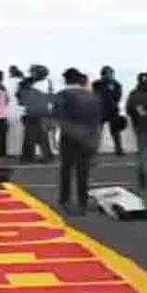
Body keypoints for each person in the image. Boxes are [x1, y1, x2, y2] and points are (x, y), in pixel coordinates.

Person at [55, 68, 102, 215]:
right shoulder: (92, 96)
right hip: (88, 136)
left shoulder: (62, 95)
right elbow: (97, 120)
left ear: (66, 80)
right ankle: (82, 200)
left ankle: (65, 199)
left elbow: (58, 117)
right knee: (83, 171)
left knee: (66, 169)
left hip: (69, 136)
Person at [17, 64, 55, 163]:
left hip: (33, 113)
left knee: (32, 136)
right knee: (41, 136)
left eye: (33, 72)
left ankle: (29, 157)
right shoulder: (47, 83)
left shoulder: (32, 84)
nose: (31, 74)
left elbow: (21, 99)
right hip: (43, 112)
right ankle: (45, 156)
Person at [92, 66, 125, 156]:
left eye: (110, 73)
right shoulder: (97, 84)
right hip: (100, 109)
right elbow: (94, 95)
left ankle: (118, 149)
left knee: (115, 131)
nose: (110, 75)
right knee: (98, 131)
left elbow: (118, 97)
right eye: (108, 73)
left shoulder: (116, 84)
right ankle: (94, 150)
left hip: (112, 109)